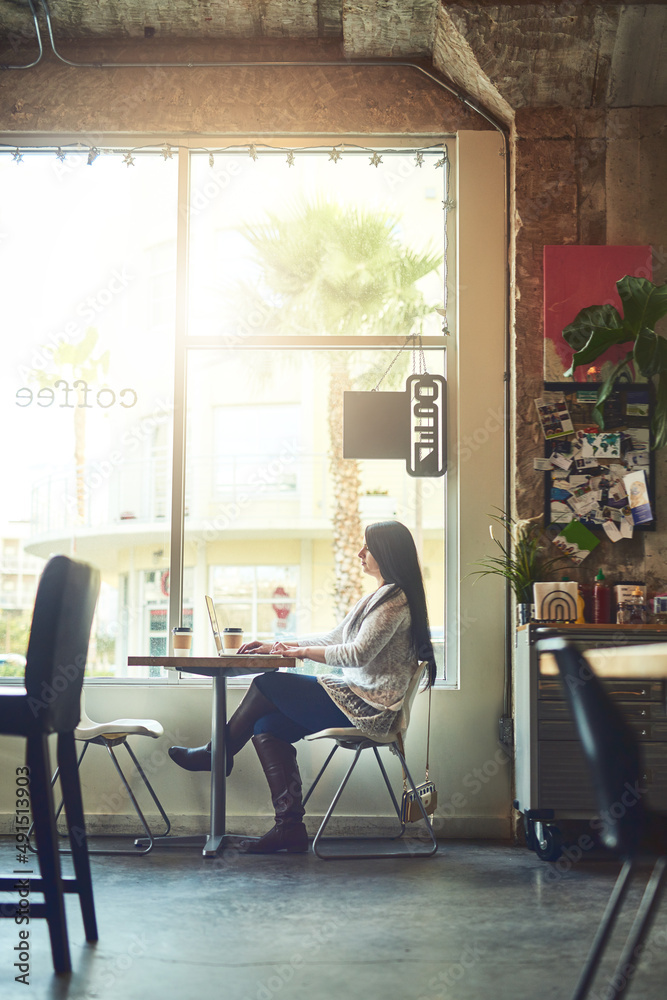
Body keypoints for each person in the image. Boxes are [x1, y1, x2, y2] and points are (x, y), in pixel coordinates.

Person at [168, 520, 436, 854]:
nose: (360, 553)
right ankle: (289, 829)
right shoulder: (381, 597)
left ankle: (217, 753)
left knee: (267, 683)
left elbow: (356, 654)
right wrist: (276, 645)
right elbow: (334, 638)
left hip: (370, 711)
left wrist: (300, 653)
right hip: (357, 700)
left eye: (367, 547)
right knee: (267, 727)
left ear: (387, 552)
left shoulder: (395, 601)